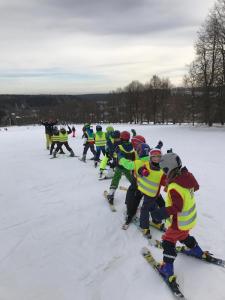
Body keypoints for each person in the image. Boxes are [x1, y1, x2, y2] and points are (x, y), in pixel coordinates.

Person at [150, 153, 204, 282]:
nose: (163, 172)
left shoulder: (175, 187)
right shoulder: (186, 176)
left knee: (168, 241)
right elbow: (195, 187)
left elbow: (176, 207)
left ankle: (167, 269)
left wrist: (160, 212)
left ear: (168, 169)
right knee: (183, 236)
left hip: (178, 222)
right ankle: (197, 251)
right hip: (189, 220)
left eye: (164, 169)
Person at [106, 131, 135, 205]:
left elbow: (115, 153)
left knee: (116, 178)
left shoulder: (119, 145)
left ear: (121, 137)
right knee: (132, 179)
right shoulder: (132, 145)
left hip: (120, 166)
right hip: (129, 166)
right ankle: (138, 190)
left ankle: (111, 194)